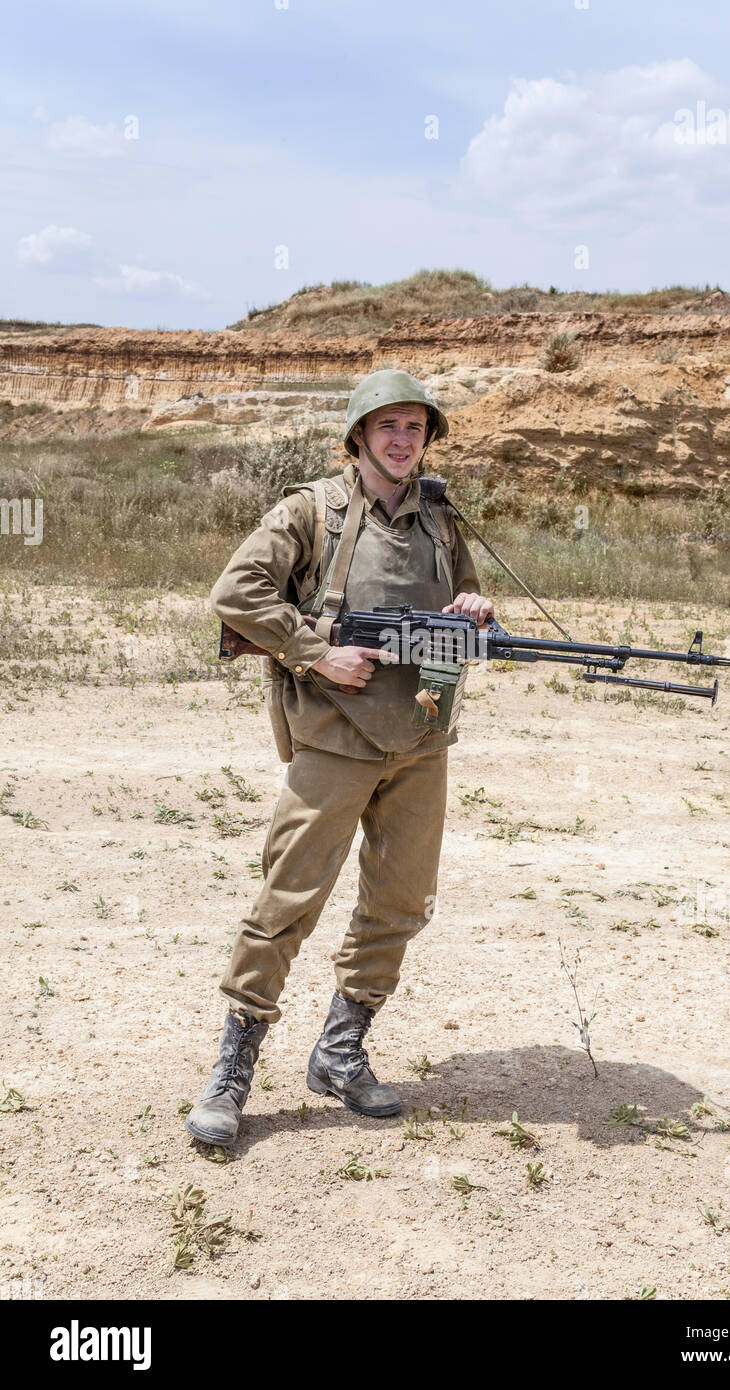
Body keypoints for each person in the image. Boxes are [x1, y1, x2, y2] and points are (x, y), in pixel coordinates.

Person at [186, 369, 494, 1145]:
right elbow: (235, 592)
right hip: (335, 739)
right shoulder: (310, 511)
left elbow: (464, 602)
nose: (402, 440)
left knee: (399, 903)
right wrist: (315, 652)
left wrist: (475, 607)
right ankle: (234, 1067)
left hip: (422, 737)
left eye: (415, 428)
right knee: (288, 899)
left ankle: (341, 1049)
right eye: (388, 426)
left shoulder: (440, 519)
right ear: (358, 437)